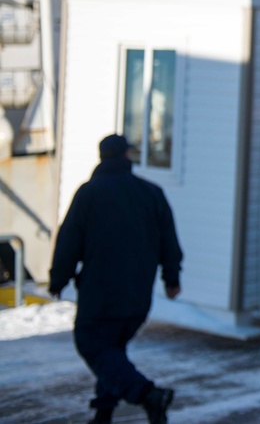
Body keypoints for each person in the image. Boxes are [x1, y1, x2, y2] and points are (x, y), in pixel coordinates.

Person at [48, 134, 183, 424]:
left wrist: (59, 278)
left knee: (92, 343)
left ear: (102, 157)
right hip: (138, 295)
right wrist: (172, 277)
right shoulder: (151, 193)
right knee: (112, 349)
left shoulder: (89, 193)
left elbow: (69, 241)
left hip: (101, 292)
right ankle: (103, 413)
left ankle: (148, 394)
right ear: (124, 156)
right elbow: (169, 240)